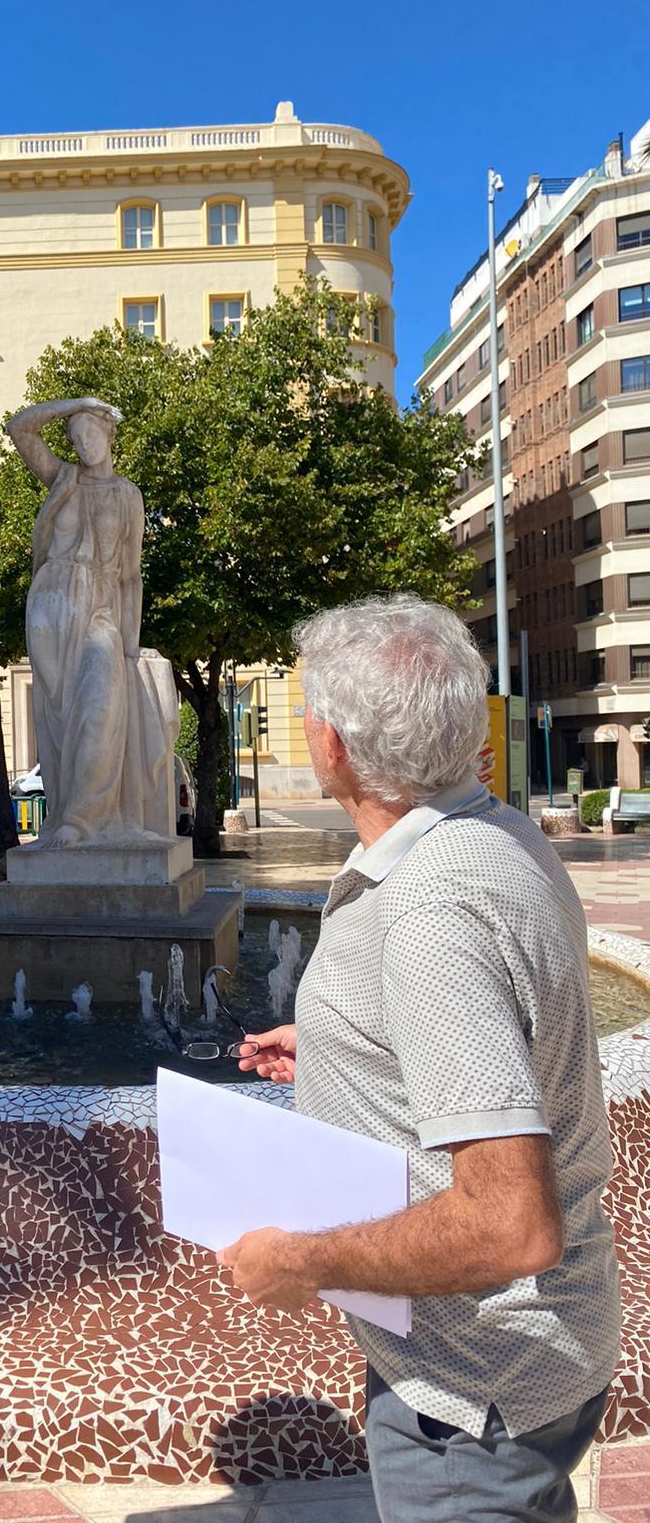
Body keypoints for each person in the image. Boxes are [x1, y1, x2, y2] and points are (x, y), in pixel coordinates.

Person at [217, 595, 620, 1523]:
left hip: (470, 1399)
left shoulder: (431, 914)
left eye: (310, 710)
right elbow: (507, 1022)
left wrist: (302, 1261)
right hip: (540, 1354)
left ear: (337, 747)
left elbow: (511, 1225)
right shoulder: (497, 833)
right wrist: (344, 1043)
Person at [6, 396, 177, 847]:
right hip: (50, 601)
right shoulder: (63, 478)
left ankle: (81, 819)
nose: (84, 444)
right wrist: (77, 404)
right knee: (60, 716)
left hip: (101, 603)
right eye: (76, 437)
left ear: (108, 434)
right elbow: (19, 429)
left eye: (92, 433)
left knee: (99, 704)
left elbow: (133, 574)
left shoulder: (127, 495)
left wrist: (129, 644)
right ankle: (65, 812)